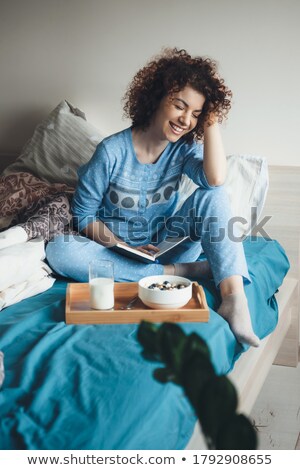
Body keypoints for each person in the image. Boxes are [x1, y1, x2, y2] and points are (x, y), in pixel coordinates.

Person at [46, 48, 260, 347]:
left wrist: (210, 119)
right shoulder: (111, 152)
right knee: (60, 250)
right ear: (157, 97)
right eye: (179, 106)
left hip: (166, 246)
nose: (186, 119)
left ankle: (234, 299)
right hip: (117, 251)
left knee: (215, 195)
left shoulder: (184, 149)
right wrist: (122, 246)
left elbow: (215, 179)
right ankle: (179, 273)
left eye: (196, 114)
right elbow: (83, 215)